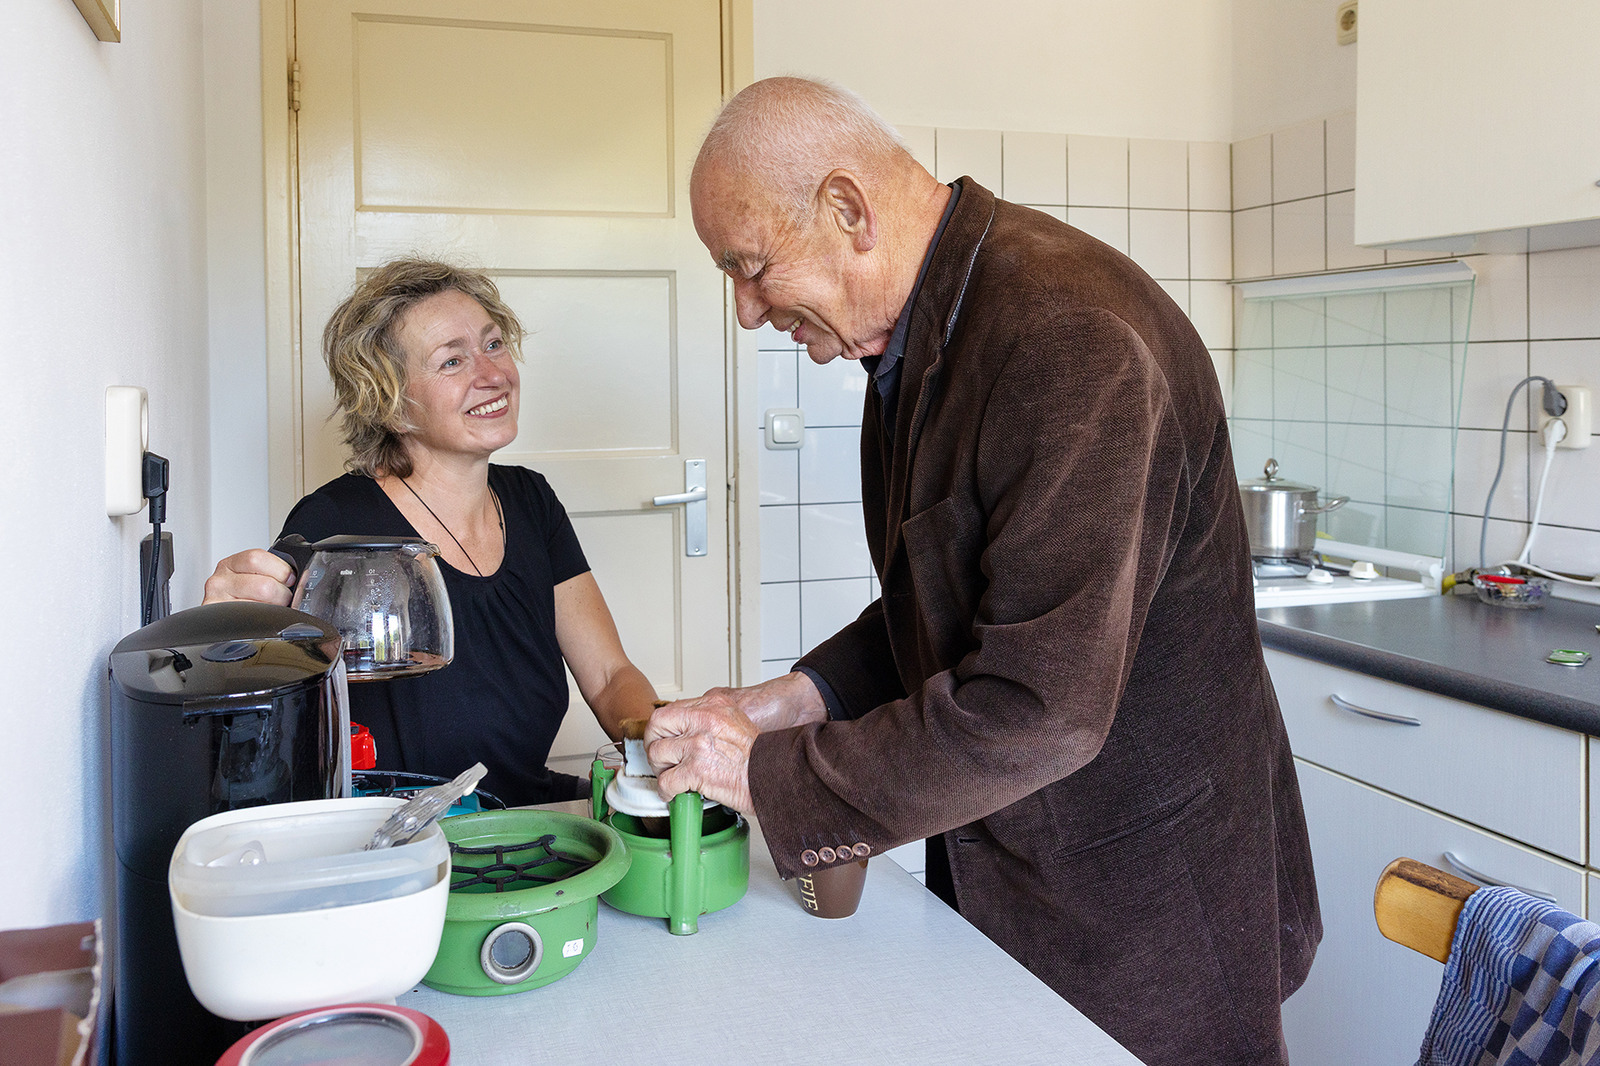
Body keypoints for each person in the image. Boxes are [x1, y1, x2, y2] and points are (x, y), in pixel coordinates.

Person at [643, 77, 1321, 1065]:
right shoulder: (919, 333)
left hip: (1142, 902)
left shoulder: (1070, 340)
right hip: (1021, 869)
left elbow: (1040, 705)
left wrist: (763, 773)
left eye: (750, 268)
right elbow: (951, 598)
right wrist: (799, 696)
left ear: (846, 209)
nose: (746, 312)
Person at [204, 258, 658, 806]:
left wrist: (658, 747)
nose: (493, 374)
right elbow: (268, 704)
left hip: (527, 808)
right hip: (399, 827)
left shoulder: (532, 500)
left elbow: (609, 675)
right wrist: (231, 631)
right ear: (391, 403)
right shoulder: (333, 526)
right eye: (452, 360)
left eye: (493, 344)